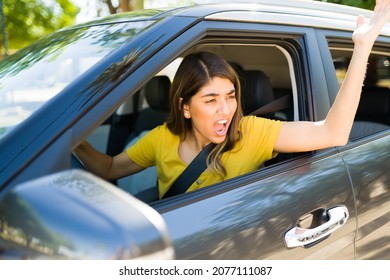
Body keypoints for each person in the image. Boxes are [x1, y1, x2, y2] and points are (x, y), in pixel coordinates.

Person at [74, 0, 390, 199]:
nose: (226, 109)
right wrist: (71, 138)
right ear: (185, 107)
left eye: (231, 96)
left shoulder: (251, 131)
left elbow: (332, 133)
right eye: (210, 100)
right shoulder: (160, 139)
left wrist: (362, 48)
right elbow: (110, 169)